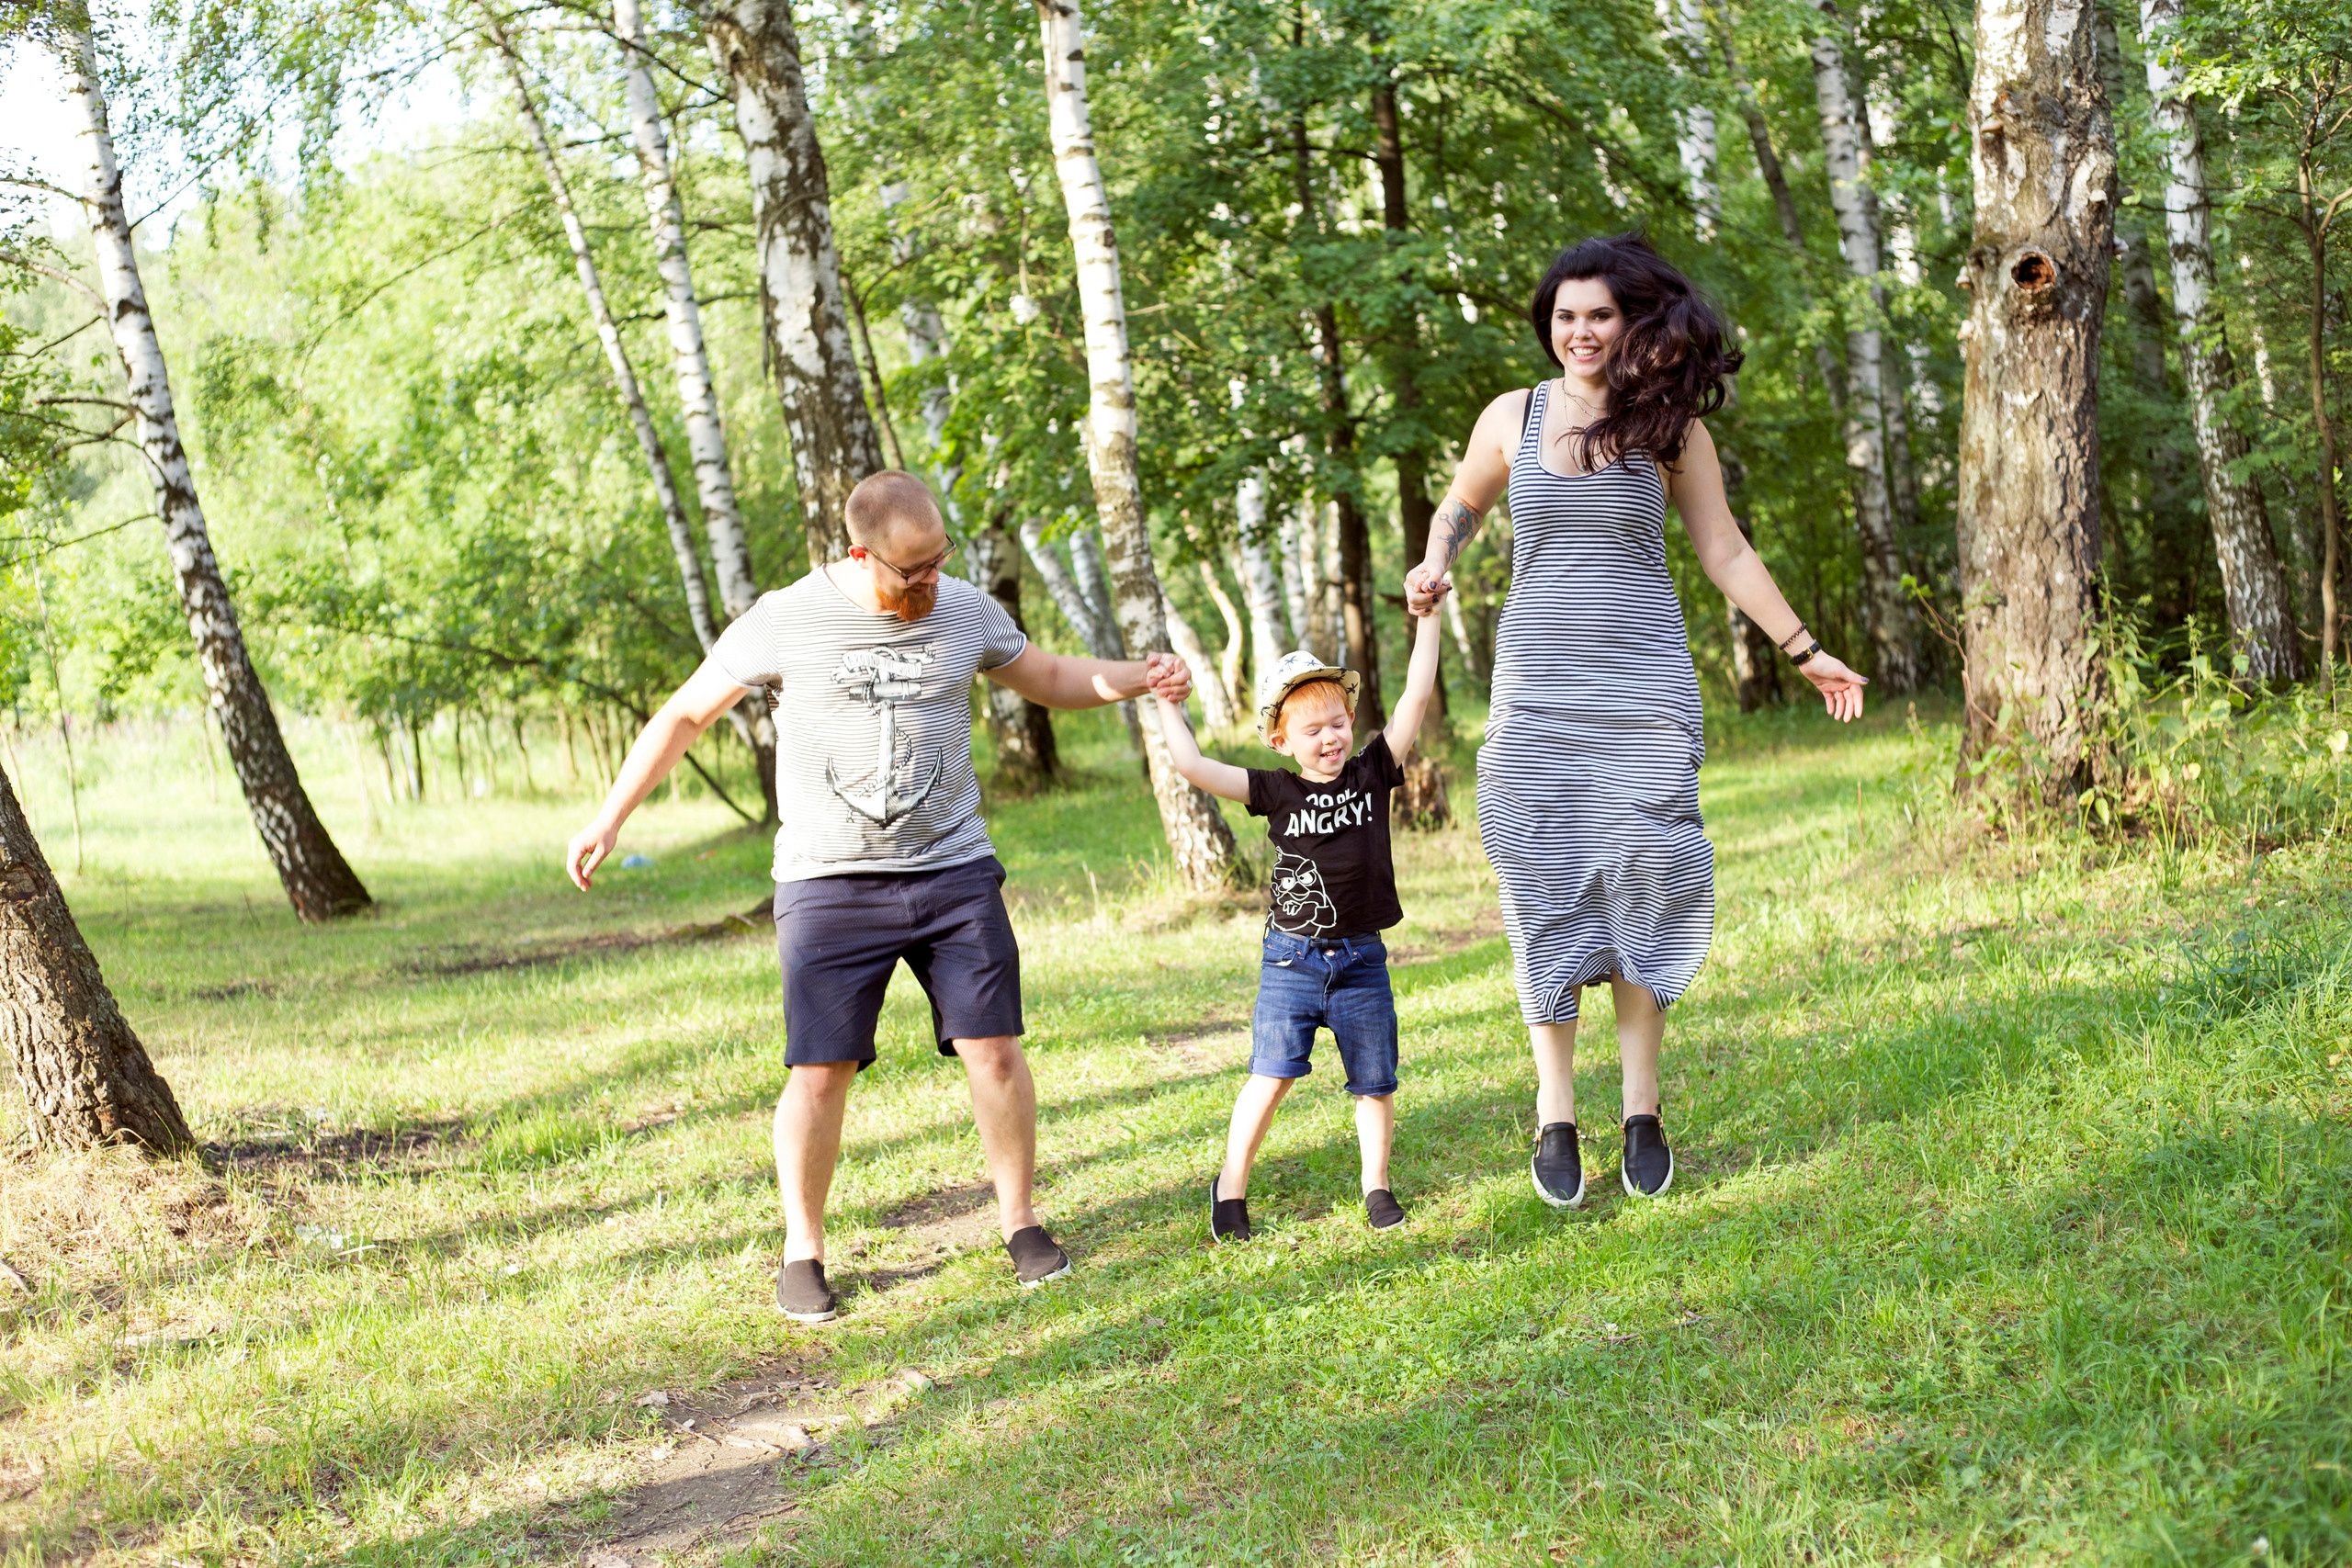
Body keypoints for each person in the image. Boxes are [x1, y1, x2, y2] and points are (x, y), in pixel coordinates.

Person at [565, 470, 1191, 1322]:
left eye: (940, 560)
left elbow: (1047, 675)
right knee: (819, 1071)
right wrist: (610, 817)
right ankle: (803, 1250)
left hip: (954, 869)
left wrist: (1139, 677)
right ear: (860, 554)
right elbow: (685, 714)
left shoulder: (963, 606)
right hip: (829, 881)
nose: (930, 581)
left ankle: (1020, 1222)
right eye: (912, 571)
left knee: (996, 1049)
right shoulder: (788, 616)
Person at [1403, 231, 1867, 1208]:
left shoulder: (1669, 428)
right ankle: (1554, 1113)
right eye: (1565, 316)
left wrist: (1801, 646)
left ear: (1632, 323)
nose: (1580, 332)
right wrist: (1437, 555)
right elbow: (1462, 503)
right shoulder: (1511, 417)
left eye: (1599, 316)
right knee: (1544, 891)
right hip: (1535, 693)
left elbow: (1726, 551)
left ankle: (1642, 1112)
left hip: (1643, 691)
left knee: (1645, 886)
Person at [1148, 605, 1445, 1240]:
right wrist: (1170, 705)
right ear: (1281, 740)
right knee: (1272, 1072)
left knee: (1375, 1079)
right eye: (1312, 729)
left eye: (1338, 721)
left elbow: (1418, 693)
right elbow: (1194, 768)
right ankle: (1230, 1187)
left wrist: (1430, 619)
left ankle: (1377, 1185)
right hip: (1292, 960)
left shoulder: (1372, 771)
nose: (1331, 737)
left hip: (1362, 958)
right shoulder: (1277, 791)